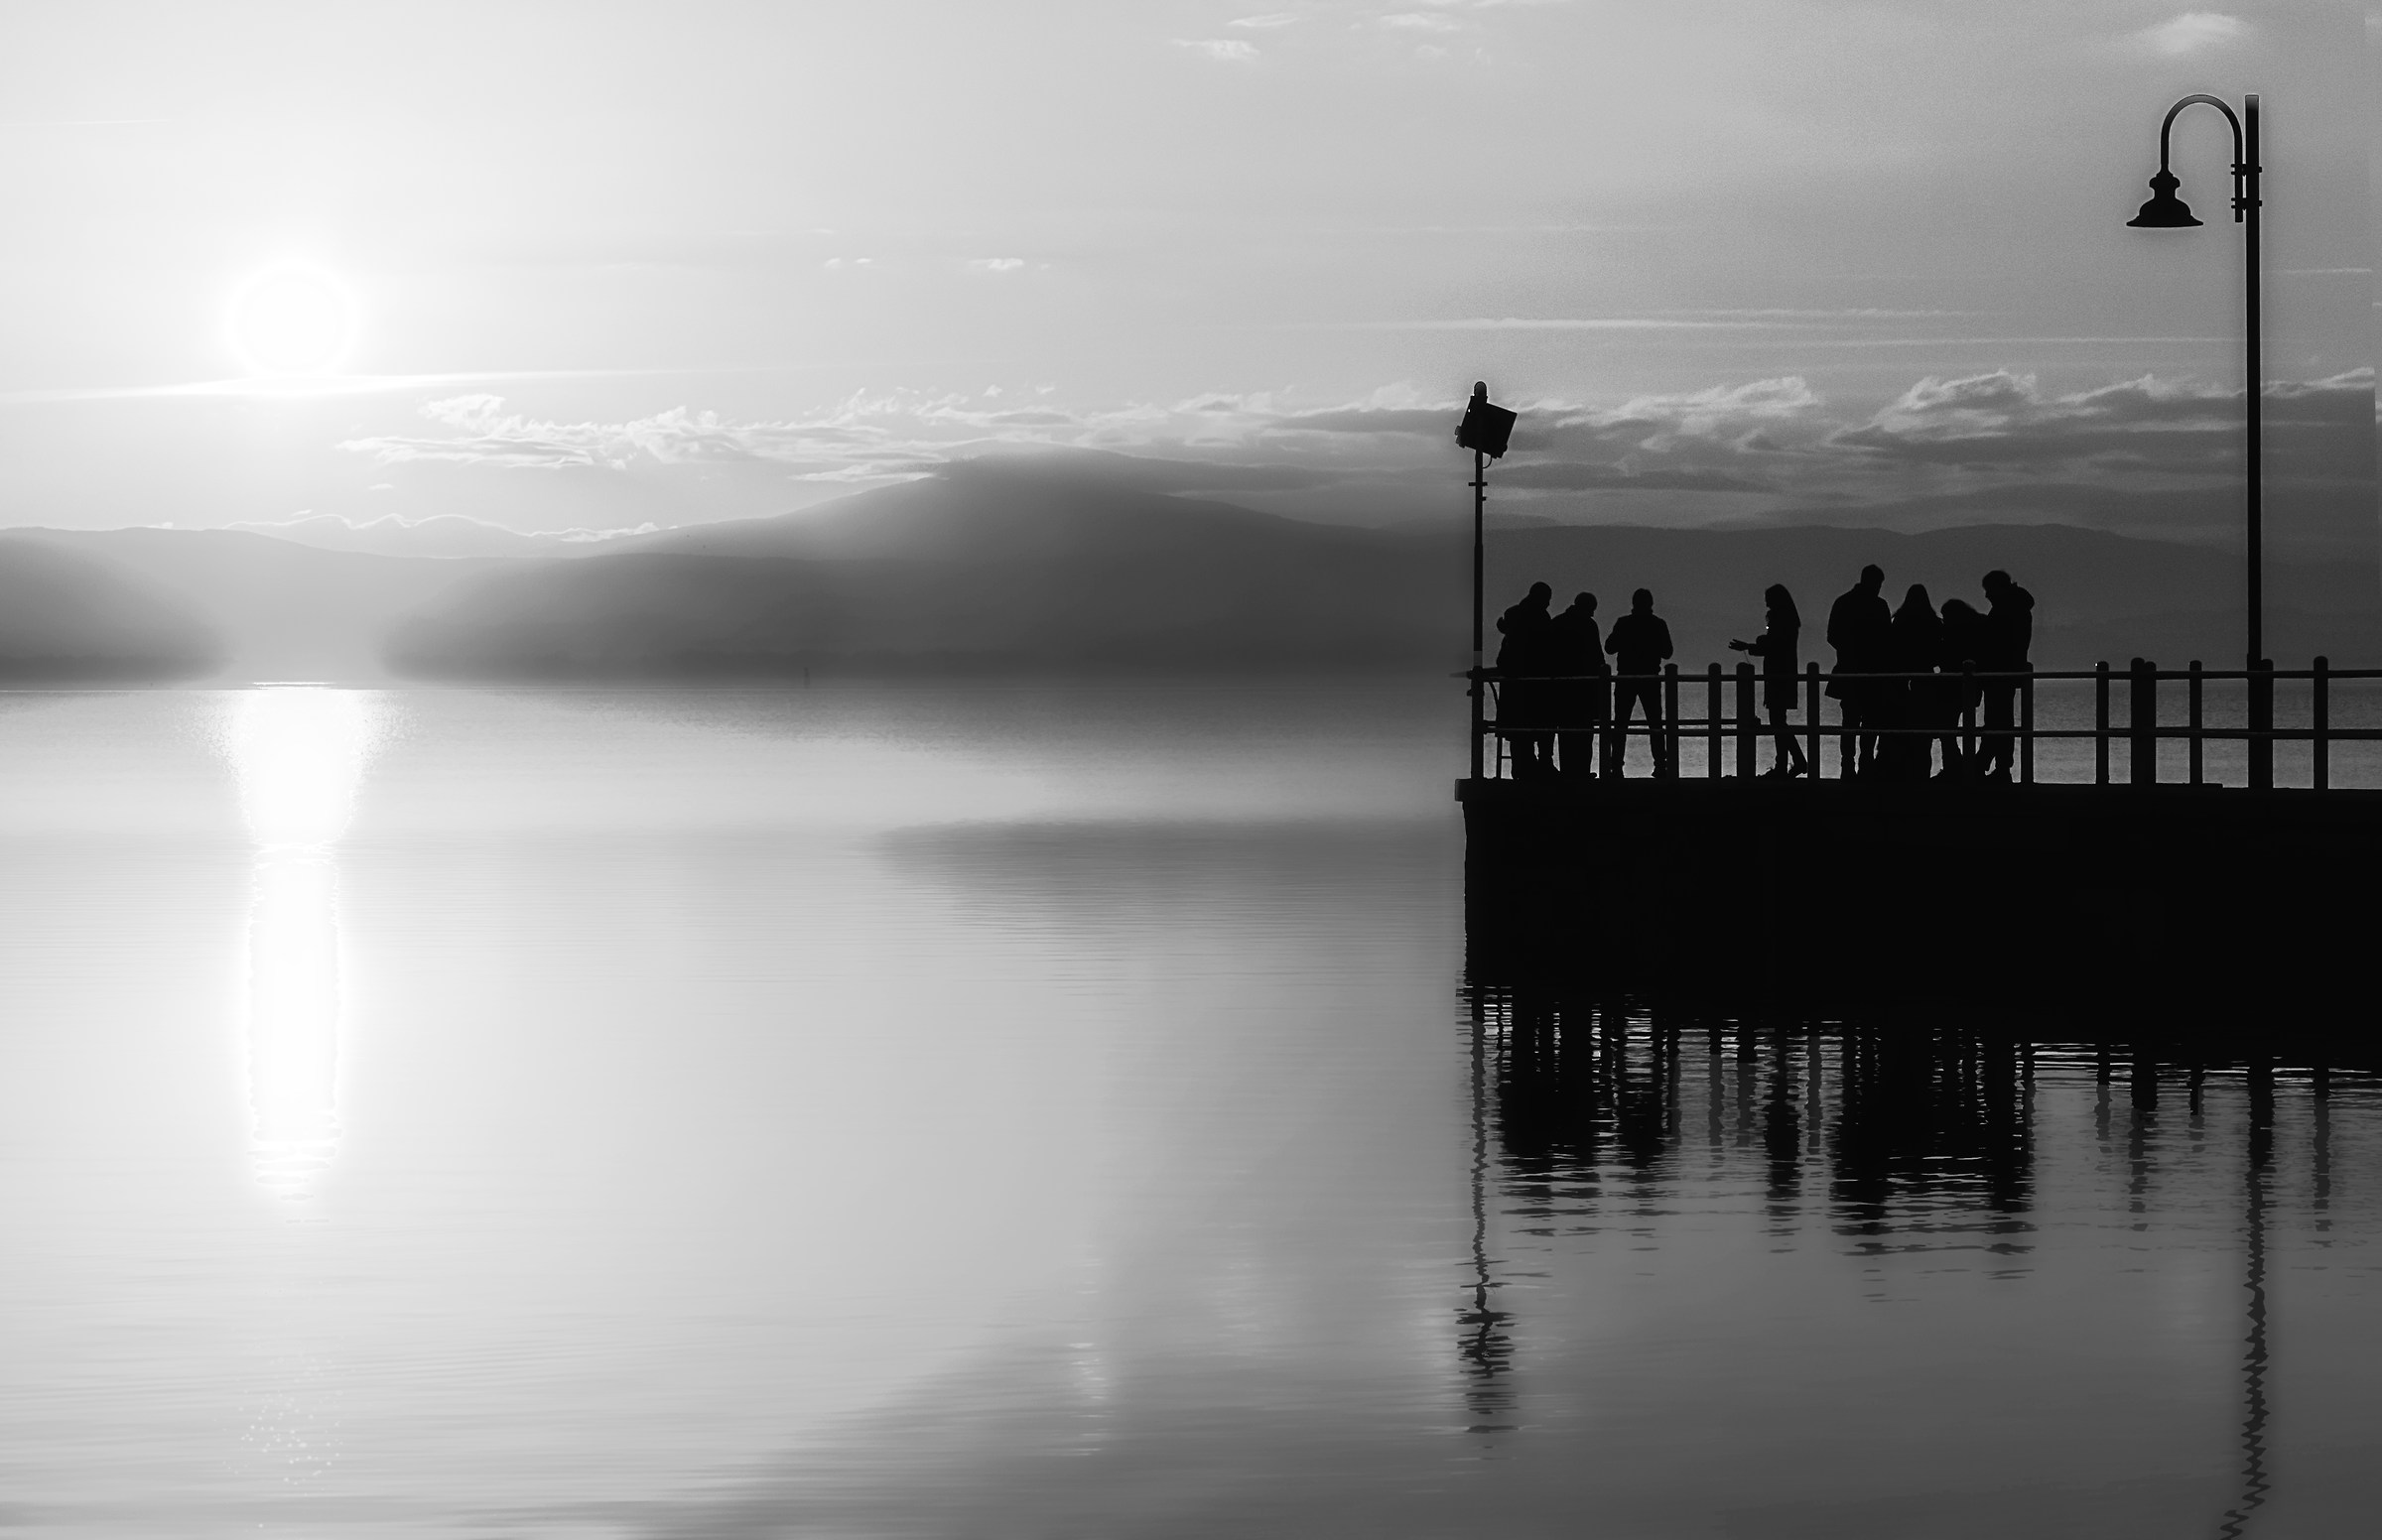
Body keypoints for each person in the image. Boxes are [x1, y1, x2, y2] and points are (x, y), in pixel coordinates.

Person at [1729, 583, 1811, 777]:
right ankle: (1784, 764)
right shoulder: (1791, 619)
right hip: (1787, 672)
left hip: (1777, 674)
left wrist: (1753, 644)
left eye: (1768, 598)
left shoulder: (1778, 617)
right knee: (1779, 720)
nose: (1766, 603)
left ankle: (1795, 762)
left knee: (1777, 721)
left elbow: (1773, 645)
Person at [1825, 565, 1891, 778]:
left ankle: (1847, 766)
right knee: (1871, 721)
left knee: (1850, 720)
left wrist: (1848, 651)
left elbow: (1832, 635)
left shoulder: (1843, 602)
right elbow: (1886, 638)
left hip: (1849, 670)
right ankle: (1866, 763)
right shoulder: (1880, 606)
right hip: (1873, 673)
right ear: (1875, 583)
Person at [1605, 587, 1674, 776]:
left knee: (1620, 723)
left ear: (1633, 603)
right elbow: (1668, 652)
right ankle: (1660, 765)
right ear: (1651, 604)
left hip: (1626, 676)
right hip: (1650, 677)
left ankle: (1616, 766)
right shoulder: (1658, 624)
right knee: (1655, 723)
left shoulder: (1623, 623)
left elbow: (1609, 648)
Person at [1882, 584, 1944, 780]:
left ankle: (1900, 769)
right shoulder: (1934, 623)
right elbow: (1938, 654)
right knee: (1924, 730)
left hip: (1900, 679)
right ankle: (1922, 771)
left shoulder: (1899, 621)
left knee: (1900, 726)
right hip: (1924, 679)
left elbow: (1891, 649)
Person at [1978, 570, 2036, 781]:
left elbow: (1996, 642)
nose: (1986, 596)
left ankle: (1991, 764)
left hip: (1999, 671)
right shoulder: (2018, 608)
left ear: (1998, 588)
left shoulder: (2004, 611)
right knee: (2001, 719)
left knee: (1997, 719)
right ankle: (1996, 764)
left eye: (1988, 590)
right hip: (2008, 669)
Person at [1545, 590, 1609, 779]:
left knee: (1565, 732)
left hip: (1561, 687)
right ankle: (1581, 771)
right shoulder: (1589, 625)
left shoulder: (1557, 622)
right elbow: (1597, 657)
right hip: (1584, 688)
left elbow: (1549, 654)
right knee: (1584, 732)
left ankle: (1567, 771)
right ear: (1588, 608)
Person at [1495, 581, 1555, 779]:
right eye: (1547, 600)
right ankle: (1542, 764)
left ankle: (1521, 767)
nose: (1548, 604)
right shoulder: (1541, 618)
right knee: (1541, 724)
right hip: (1535, 681)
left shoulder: (1513, 615)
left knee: (1519, 729)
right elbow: (1544, 648)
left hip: (1513, 681)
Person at [1938, 597, 1989, 779]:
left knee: (1947, 727)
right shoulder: (1979, 626)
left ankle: (1953, 765)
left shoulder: (1952, 633)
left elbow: (1943, 656)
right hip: (1972, 686)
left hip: (1951, 686)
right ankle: (1967, 765)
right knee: (1966, 726)